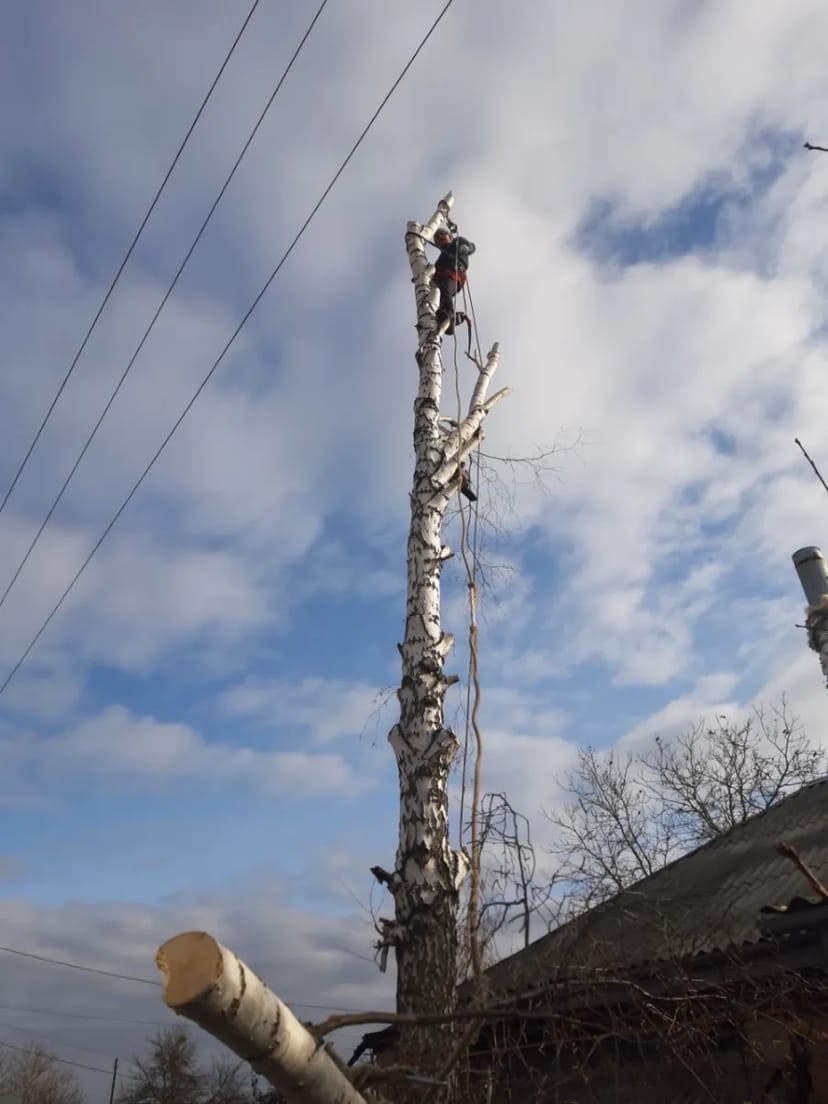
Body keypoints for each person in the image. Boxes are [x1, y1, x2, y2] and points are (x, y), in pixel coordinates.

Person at [431, 225, 475, 335]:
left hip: (453, 274)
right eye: (437, 240)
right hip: (443, 278)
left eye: (442, 236)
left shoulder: (457, 242)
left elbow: (472, 247)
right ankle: (443, 318)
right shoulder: (440, 259)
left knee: (445, 291)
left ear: (450, 236)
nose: (440, 240)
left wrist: (466, 248)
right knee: (439, 295)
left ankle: (448, 316)